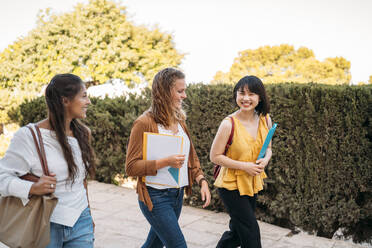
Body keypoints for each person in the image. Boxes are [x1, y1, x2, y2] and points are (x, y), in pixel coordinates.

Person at [0, 73, 96, 247]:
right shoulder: (29, 136)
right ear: (65, 100)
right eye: (84, 96)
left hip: (81, 221)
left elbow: (82, 181)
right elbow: (2, 177)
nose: (88, 102)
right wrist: (32, 188)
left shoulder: (83, 134)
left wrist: (89, 216)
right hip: (45, 223)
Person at [126, 67, 211, 248]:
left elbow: (191, 155)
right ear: (164, 92)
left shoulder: (179, 121)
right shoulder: (144, 123)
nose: (184, 95)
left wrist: (201, 179)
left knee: (154, 245)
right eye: (180, 91)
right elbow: (131, 167)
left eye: (184, 91)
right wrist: (165, 162)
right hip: (155, 196)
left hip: (177, 195)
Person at [210, 75, 273, 248]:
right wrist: (245, 166)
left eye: (251, 94)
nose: (246, 98)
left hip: (251, 182)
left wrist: (265, 160)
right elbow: (214, 156)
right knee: (250, 230)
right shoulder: (228, 124)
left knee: (237, 233)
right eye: (241, 93)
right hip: (230, 184)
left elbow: (268, 148)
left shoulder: (265, 120)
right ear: (236, 95)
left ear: (260, 97)